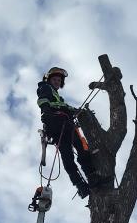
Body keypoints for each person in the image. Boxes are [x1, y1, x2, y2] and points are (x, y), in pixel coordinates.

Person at [37, 67, 96, 198]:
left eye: (59, 80)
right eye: (55, 79)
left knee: (81, 150)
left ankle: (90, 180)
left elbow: (65, 107)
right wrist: (47, 112)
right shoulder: (45, 88)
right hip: (57, 124)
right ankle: (81, 184)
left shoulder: (58, 97)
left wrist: (78, 112)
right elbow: (42, 100)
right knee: (69, 155)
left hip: (66, 125)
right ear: (49, 79)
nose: (57, 81)